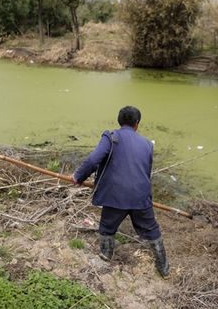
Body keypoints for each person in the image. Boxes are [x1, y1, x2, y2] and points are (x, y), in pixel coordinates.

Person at [71, 106, 169, 278]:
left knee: (107, 227)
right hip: (140, 195)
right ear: (137, 124)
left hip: (115, 195)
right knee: (152, 230)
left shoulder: (111, 137)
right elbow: (146, 171)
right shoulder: (147, 144)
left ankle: (106, 256)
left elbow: (94, 159)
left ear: (119, 120)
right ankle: (164, 269)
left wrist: (78, 176)